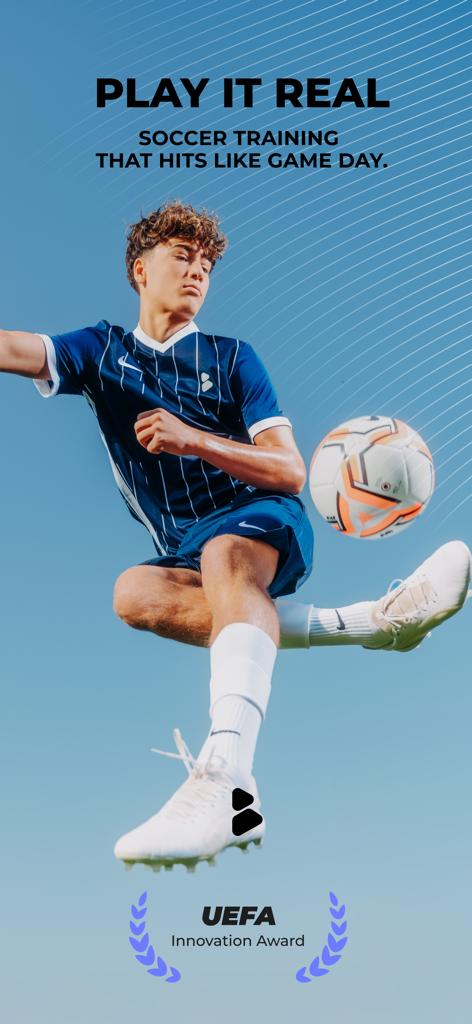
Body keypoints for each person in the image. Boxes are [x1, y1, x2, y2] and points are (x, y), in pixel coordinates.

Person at [1, 200, 470, 874]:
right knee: (133, 593)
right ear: (140, 268)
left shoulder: (232, 360)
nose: (197, 271)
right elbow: (18, 347)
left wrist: (195, 440)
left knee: (227, 556)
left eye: (207, 263)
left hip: (260, 519)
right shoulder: (101, 352)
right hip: (183, 549)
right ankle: (377, 622)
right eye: (181, 256)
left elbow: (288, 469)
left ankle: (225, 777)